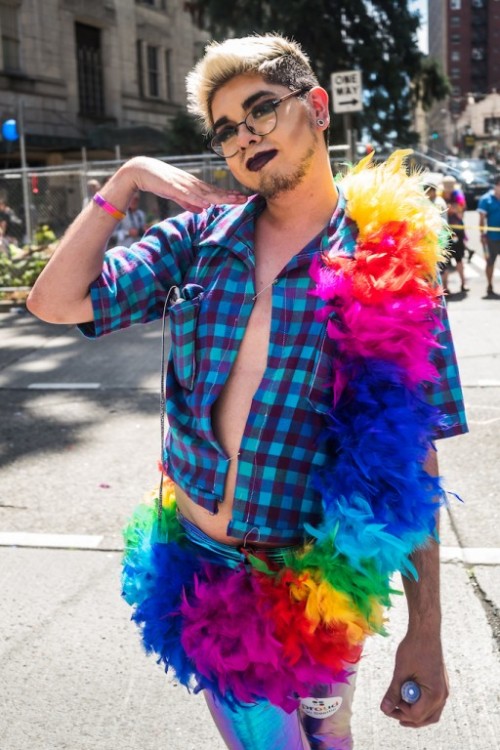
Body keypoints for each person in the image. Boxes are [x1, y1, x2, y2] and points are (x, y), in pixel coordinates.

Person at [27, 34, 468, 750]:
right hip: (208, 578)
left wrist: (426, 632)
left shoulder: (388, 267)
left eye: (262, 109)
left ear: (317, 107)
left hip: (320, 587)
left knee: (332, 737)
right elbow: (55, 301)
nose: (245, 136)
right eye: (226, 129)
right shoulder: (199, 240)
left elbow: (411, 462)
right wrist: (129, 178)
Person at [477, 173, 500, 298]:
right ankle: (490, 285)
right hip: (492, 238)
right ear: (496, 185)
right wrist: (482, 235)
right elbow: (482, 219)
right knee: (490, 263)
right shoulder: (486, 199)